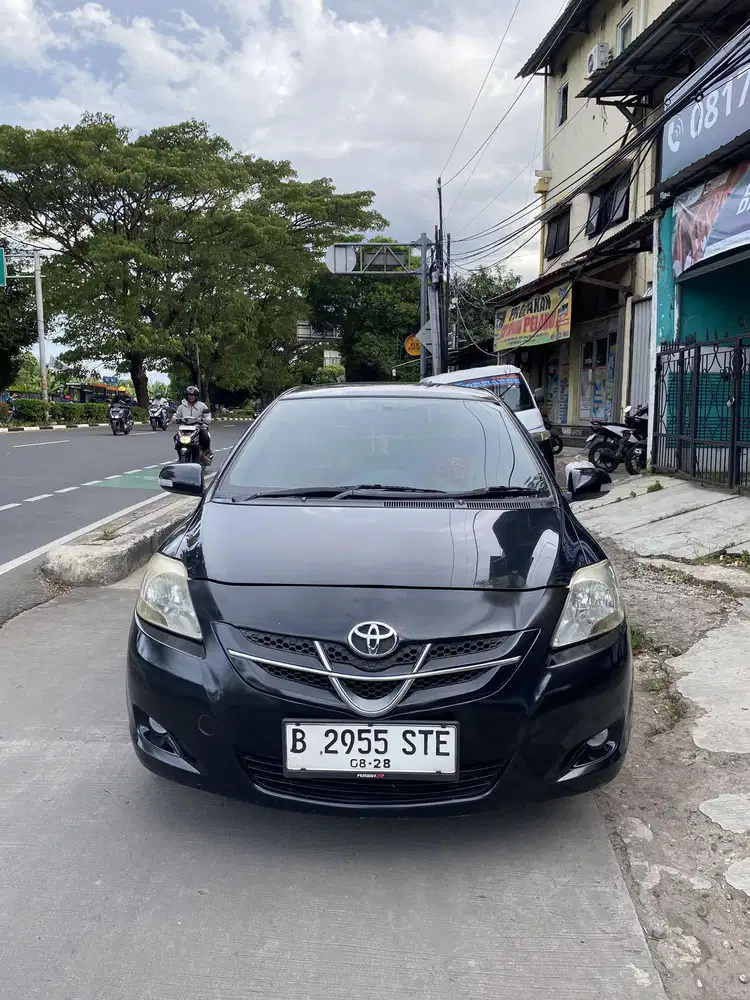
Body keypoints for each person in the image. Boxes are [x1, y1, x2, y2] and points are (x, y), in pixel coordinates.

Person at [173, 385, 212, 458]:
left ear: (196, 396)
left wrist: (205, 420)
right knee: (176, 438)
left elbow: (208, 416)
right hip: (184, 428)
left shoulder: (202, 405)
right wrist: (175, 419)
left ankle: (205, 452)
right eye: (189, 395)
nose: (191, 397)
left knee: (205, 436)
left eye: (193, 395)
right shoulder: (182, 406)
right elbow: (176, 415)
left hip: (199, 427)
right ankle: (180, 456)